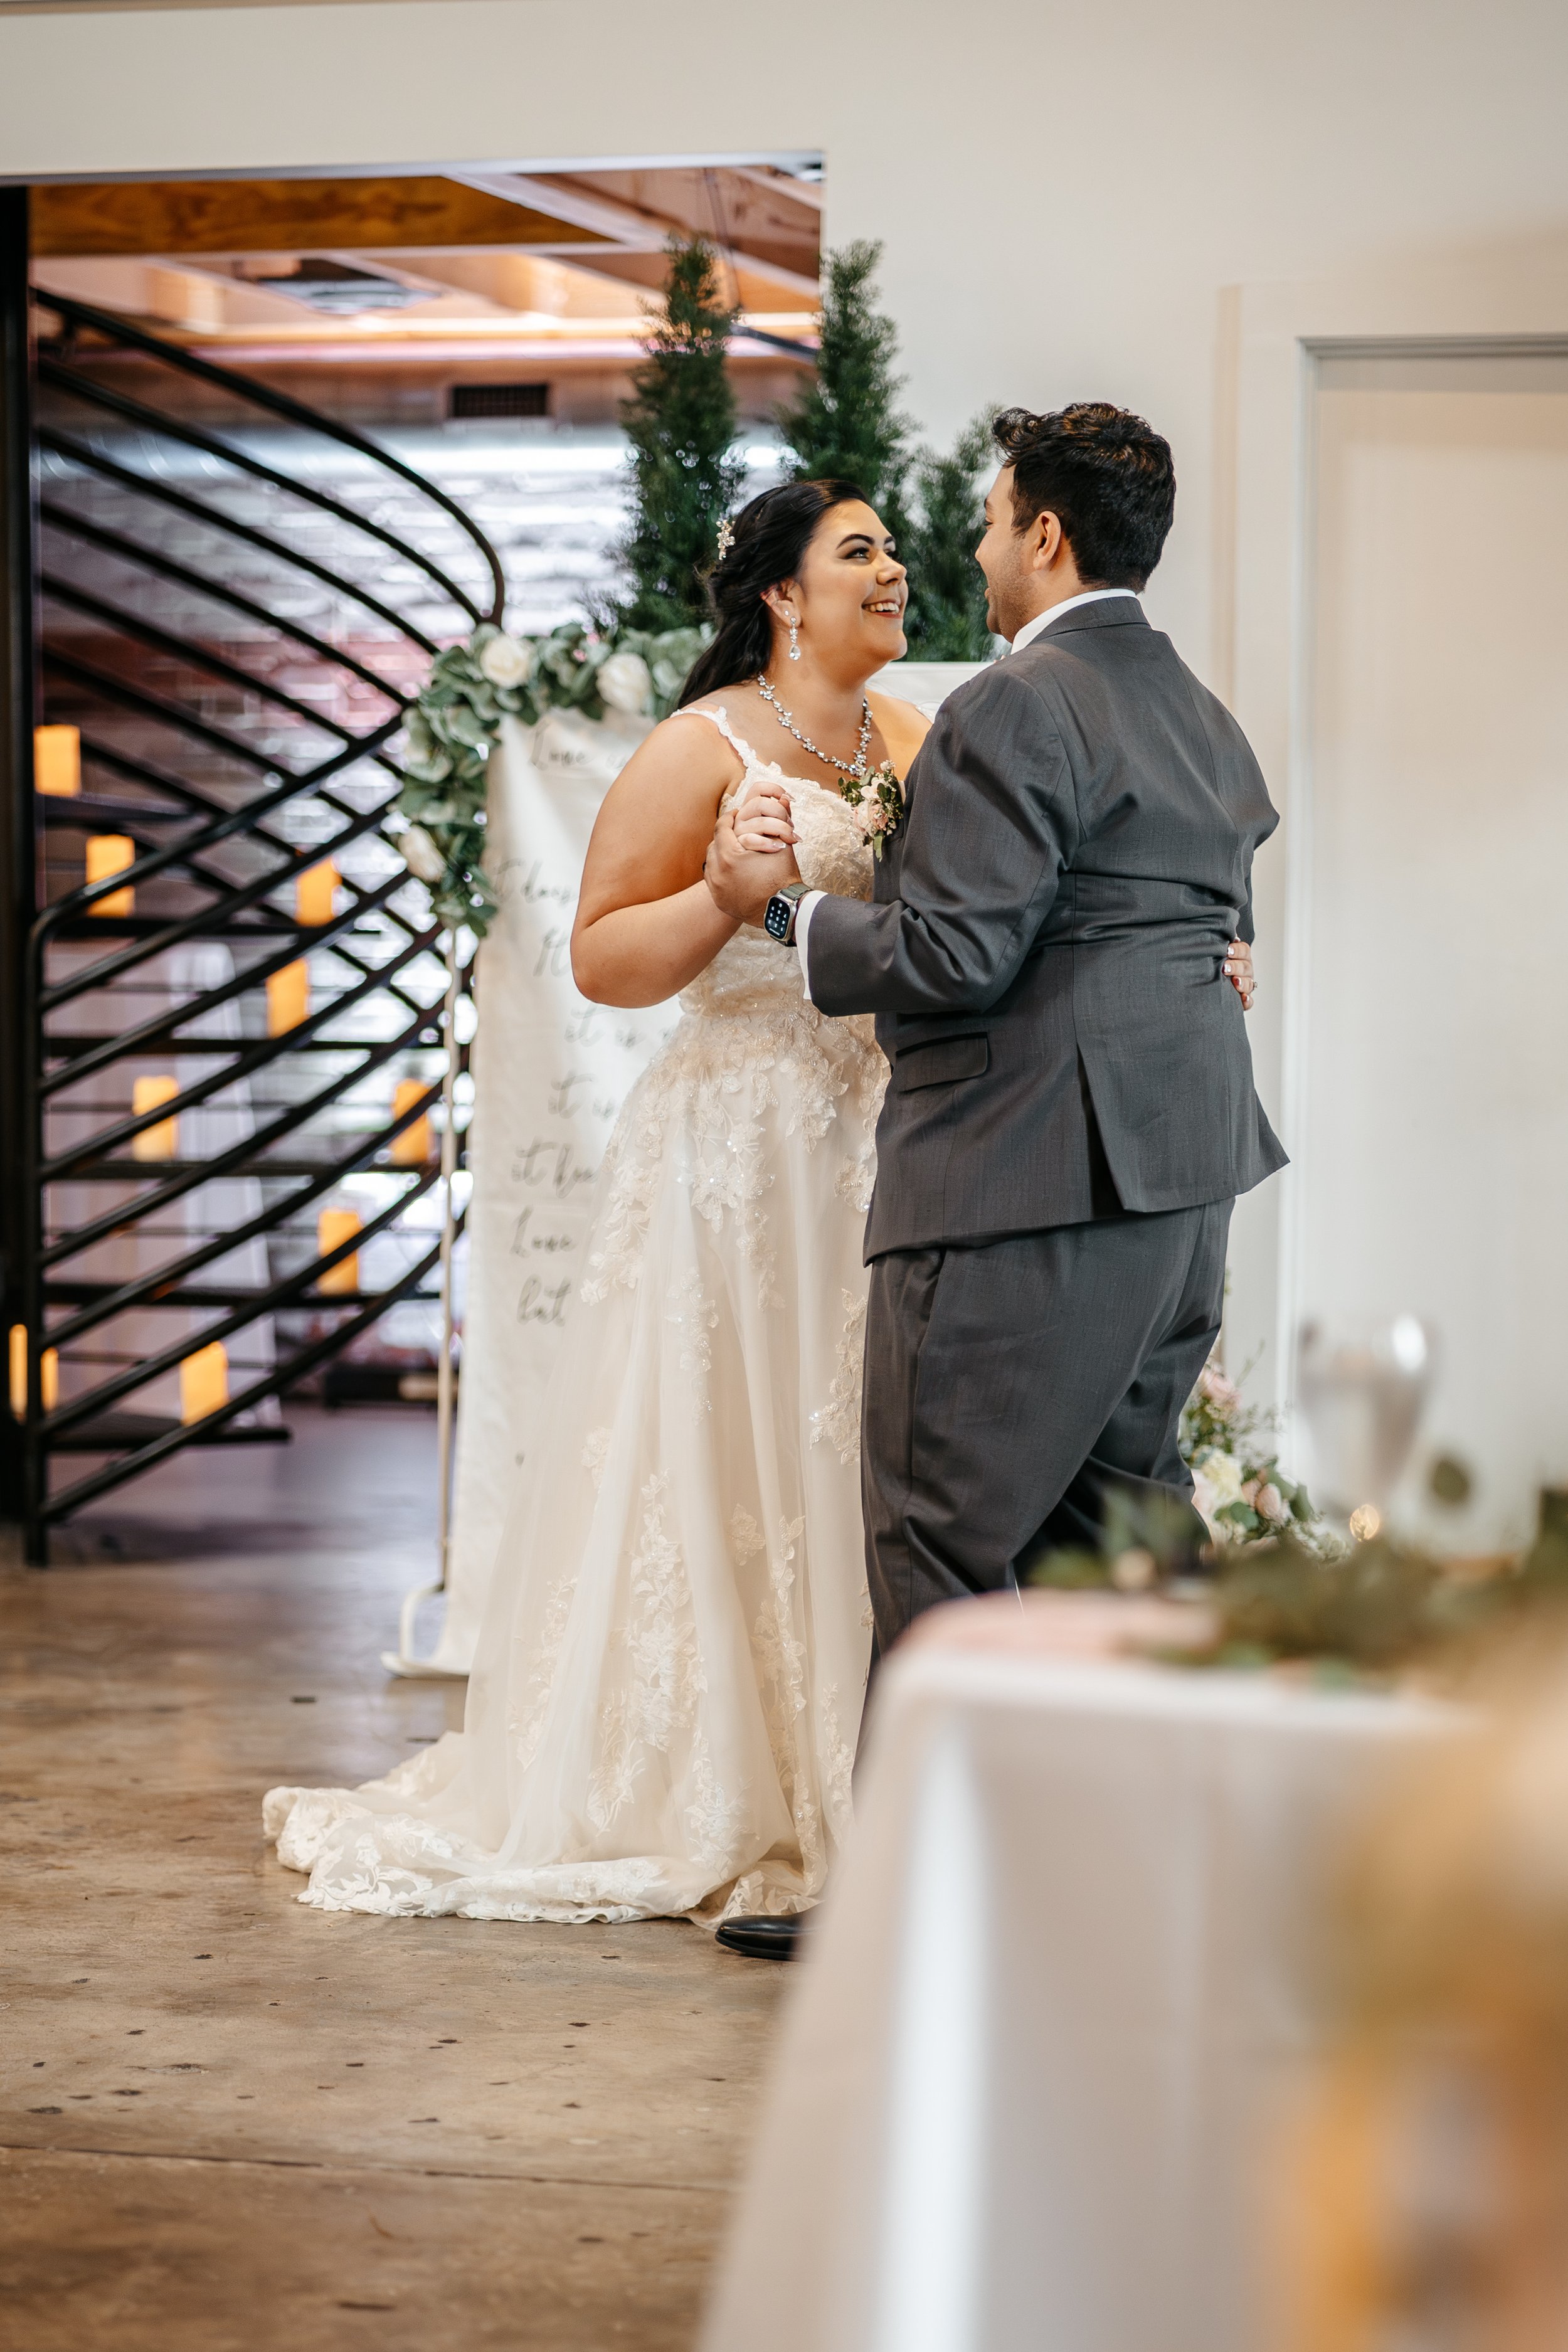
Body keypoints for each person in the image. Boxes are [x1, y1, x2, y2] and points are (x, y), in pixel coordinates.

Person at [263, 479, 929, 1925]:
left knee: (843, 1442)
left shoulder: (909, 738)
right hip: (736, 1143)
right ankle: (704, 1780)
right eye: (859, 551)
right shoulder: (700, 746)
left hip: (872, 1135)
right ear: (782, 594)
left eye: (893, 551)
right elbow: (601, 957)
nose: (893, 571)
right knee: (718, 1448)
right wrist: (725, 892)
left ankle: (861, 1774)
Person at [705, 403, 1283, 1956]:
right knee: (1127, 1536)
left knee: (942, 1537)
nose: (965, 550)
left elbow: (955, 953)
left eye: (982, 518)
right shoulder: (1200, 715)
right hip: (1180, 1177)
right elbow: (1200, 933)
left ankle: (911, 1917)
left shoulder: (1020, 701)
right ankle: (1176, 1874)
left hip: (1024, 1178)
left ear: (1043, 533)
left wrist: (781, 921)